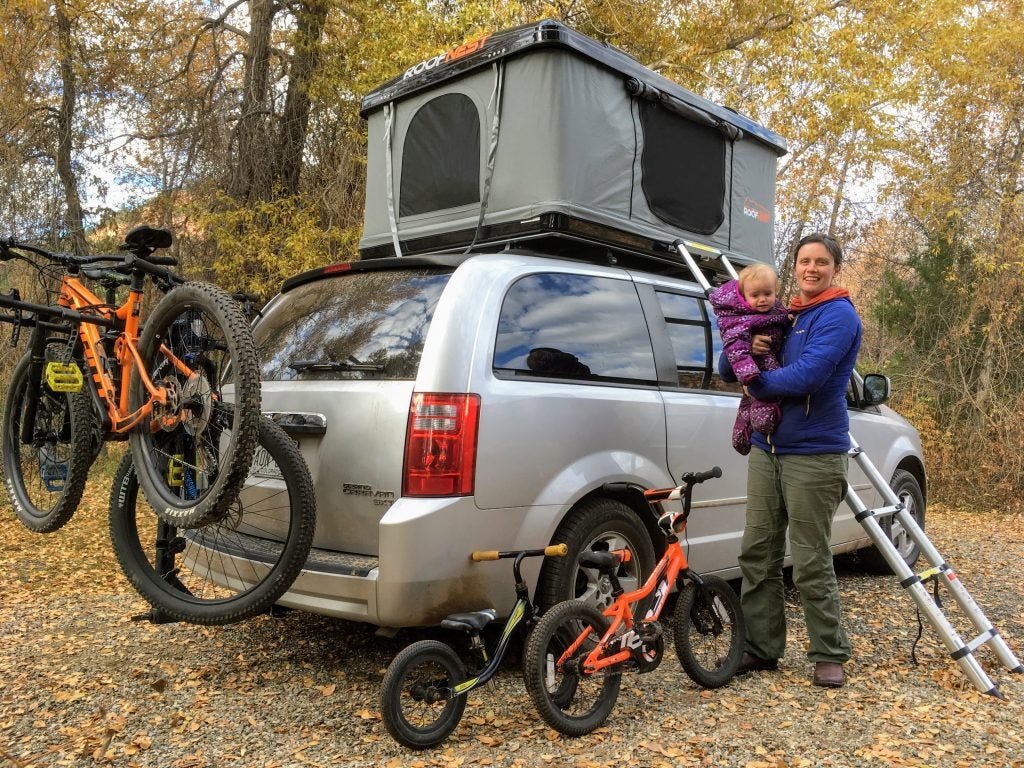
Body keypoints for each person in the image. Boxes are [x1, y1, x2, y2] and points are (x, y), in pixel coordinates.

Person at [718, 232, 862, 688]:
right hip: (768, 448)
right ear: (794, 267)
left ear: (834, 268)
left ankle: (828, 651)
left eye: (821, 261)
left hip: (814, 453)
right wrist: (746, 354)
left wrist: (755, 384)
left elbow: (810, 375)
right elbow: (728, 365)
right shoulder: (782, 314)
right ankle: (761, 648)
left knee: (809, 557)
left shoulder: (837, 315)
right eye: (804, 261)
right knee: (757, 552)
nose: (812, 268)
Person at [709, 263, 790, 454]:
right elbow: (733, 346)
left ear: (775, 292)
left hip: (764, 374)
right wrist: (749, 373)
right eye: (755, 296)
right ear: (744, 297)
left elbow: (782, 319)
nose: (762, 300)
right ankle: (745, 435)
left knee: (748, 405)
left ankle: (742, 436)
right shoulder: (737, 317)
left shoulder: (780, 313)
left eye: (767, 294)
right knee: (755, 403)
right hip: (752, 373)